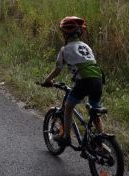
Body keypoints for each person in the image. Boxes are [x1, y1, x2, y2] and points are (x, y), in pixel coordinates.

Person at [41, 16, 105, 146]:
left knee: (69, 107)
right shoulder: (86, 46)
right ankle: (101, 141)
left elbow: (58, 69)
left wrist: (47, 80)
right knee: (94, 112)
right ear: (79, 32)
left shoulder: (65, 50)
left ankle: (66, 137)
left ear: (65, 34)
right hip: (98, 80)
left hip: (84, 82)